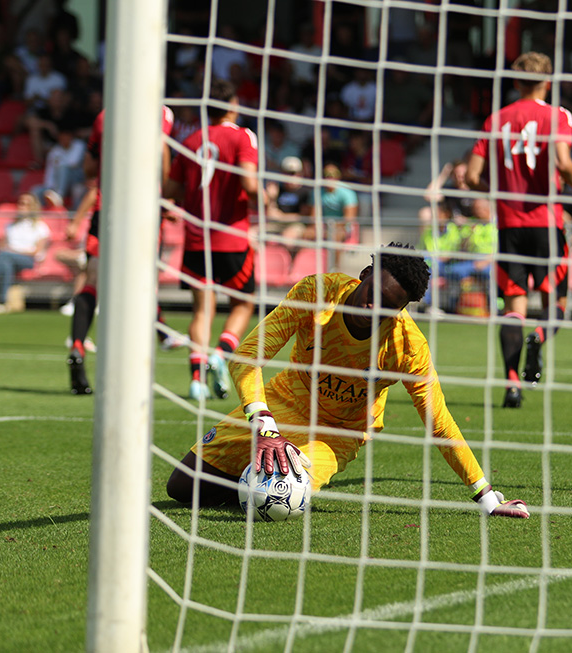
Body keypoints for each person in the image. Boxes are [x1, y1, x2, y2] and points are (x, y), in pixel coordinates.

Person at [165, 242, 529, 519]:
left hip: (337, 432)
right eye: (374, 296)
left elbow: (439, 422)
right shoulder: (315, 293)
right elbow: (247, 356)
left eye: (388, 307)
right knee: (181, 487)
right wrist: (264, 423)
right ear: (366, 274)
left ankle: (256, 479)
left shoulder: (407, 346)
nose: (374, 310)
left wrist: (485, 494)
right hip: (284, 401)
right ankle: (251, 474)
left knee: (278, 504)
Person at [465, 51, 572, 408]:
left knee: (513, 308)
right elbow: (563, 161)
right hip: (546, 224)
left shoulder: (495, 120)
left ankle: (511, 386)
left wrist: (497, 192)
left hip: (509, 227)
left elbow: (472, 177)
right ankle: (539, 335)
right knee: (556, 304)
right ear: (548, 81)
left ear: (515, 81)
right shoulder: (557, 116)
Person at [65, 104, 176, 395]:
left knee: (92, 280)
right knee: (141, 285)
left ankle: (77, 345)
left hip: (108, 208)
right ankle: (136, 369)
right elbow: (162, 153)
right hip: (143, 211)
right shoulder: (160, 112)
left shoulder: (103, 115)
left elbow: (89, 168)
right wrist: (166, 196)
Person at [163, 79, 259, 401]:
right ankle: (221, 352)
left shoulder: (190, 140)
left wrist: (182, 204)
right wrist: (265, 195)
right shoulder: (243, 136)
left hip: (195, 240)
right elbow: (248, 180)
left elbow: (170, 191)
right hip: (231, 238)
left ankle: (195, 380)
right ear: (233, 105)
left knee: (201, 310)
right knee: (244, 303)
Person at [0, 193, 49, 313]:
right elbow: (2, 245)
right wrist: (10, 251)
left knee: (5, 256)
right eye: (20, 203)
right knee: (7, 264)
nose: (22, 207)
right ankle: (1, 302)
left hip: (28, 260)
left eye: (26, 204)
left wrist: (13, 250)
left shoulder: (40, 227)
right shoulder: (11, 225)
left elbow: (37, 251)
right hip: (9, 258)